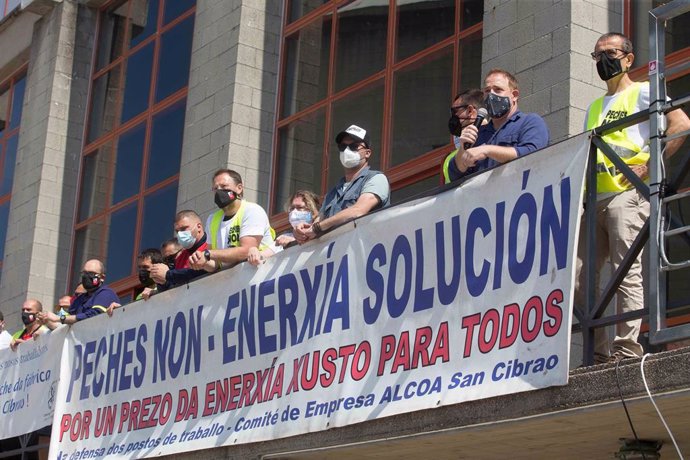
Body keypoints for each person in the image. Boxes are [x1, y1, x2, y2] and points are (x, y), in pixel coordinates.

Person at [577, 32, 690, 363]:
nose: (603, 61)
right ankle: (597, 353)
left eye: (609, 53)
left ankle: (627, 350)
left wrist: (651, 165)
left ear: (628, 58)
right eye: (597, 56)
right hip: (594, 199)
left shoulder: (643, 92)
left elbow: (680, 124)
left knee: (626, 272)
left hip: (627, 195)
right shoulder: (595, 106)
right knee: (580, 281)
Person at [445, 69, 550, 182]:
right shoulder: (478, 134)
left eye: (498, 90)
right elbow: (454, 175)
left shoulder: (529, 122)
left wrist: (487, 150)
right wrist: (462, 148)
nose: (491, 95)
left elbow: (533, 153)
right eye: (487, 91)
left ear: (514, 95)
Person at [294, 125, 390, 243]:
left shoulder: (376, 179)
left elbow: (358, 211)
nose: (347, 151)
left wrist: (319, 227)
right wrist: (302, 233)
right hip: (338, 257)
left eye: (354, 146)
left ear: (367, 153)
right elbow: (316, 226)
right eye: (343, 146)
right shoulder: (332, 193)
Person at [189, 169, 275, 272]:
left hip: (259, 275)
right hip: (233, 282)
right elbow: (214, 264)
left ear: (239, 188)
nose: (219, 191)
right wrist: (201, 261)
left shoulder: (252, 210)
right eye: (215, 188)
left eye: (224, 186)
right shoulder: (212, 219)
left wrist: (208, 254)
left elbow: (246, 250)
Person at [247, 190, 320, 266]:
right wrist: (254, 251)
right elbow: (262, 256)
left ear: (314, 212)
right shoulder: (284, 238)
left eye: (300, 207)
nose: (294, 212)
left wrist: (293, 242)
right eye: (292, 209)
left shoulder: (322, 233)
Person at [39, 259, 119, 327]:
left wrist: (59, 318)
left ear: (102, 278)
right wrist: (47, 321)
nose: (86, 276)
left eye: (91, 274)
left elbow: (93, 315)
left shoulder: (106, 294)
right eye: (84, 273)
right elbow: (66, 326)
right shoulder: (79, 299)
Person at [150, 211, 209, 291]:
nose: (180, 234)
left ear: (198, 227)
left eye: (184, 229)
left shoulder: (211, 246)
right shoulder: (180, 258)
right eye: (177, 231)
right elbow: (172, 285)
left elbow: (201, 272)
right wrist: (161, 282)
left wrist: (167, 274)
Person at [441, 89, 487, 183]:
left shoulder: (492, 140)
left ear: (470, 111)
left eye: (455, 111)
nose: (453, 117)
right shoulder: (451, 157)